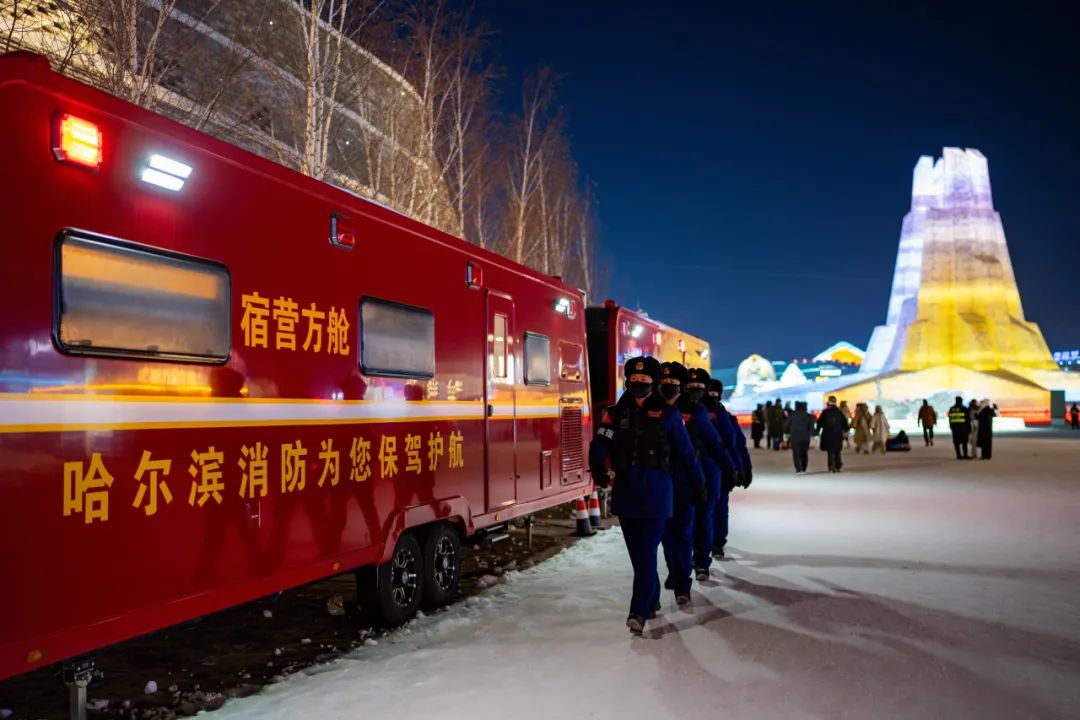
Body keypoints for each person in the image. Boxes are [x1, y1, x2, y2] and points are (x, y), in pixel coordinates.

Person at [589, 356, 704, 635]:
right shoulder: (614, 414)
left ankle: (638, 612)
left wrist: (700, 484)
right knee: (639, 556)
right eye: (634, 380)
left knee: (646, 552)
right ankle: (651, 600)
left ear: (654, 384)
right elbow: (600, 444)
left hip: (657, 495)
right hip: (627, 494)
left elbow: (687, 453)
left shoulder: (668, 414)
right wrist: (598, 468)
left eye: (644, 380)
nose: (638, 384)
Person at [654, 362, 715, 605]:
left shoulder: (695, 411)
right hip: (658, 484)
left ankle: (682, 583)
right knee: (665, 536)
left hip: (684, 482)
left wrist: (703, 482)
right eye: (664, 382)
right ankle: (675, 572)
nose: (668, 386)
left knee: (681, 533)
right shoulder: (651, 410)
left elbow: (707, 445)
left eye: (673, 382)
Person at [681, 368, 736, 581]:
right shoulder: (677, 409)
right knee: (685, 521)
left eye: (699, 387)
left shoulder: (714, 413)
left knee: (705, 517)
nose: (695, 390)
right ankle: (683, 564)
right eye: (691, 386)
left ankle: (702, 561)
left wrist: (732, 468)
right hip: (684, 473)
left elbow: (725, 443)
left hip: (709, 470)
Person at [704, 377, 751, 560]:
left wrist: (744, 468)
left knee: (720, 508)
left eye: (715, 394)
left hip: (723, 470)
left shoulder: (727, 418)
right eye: (710, 393)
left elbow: (738, 445)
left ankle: (717, 542)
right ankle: (702, 546)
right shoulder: (694, 416)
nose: (712, 397)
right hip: (700, 469)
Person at [817, 396, 849, 472]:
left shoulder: (825, 412)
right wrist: (846, 429)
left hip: (828, 434)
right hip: (837, 434)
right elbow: (844, 422)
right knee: (837, 450)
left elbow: (819, 423)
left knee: (830, 451)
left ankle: (831, 466)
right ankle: (838, 465)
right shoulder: (838, 412)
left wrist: (817, 430)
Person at [785, 400, 816, 473]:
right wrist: (814, 434)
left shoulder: (792, 415)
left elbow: (786, 425)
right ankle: (804, 467)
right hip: (805, 437)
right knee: (804, 452)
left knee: (796, 453)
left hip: (794, 437)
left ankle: (798, 468)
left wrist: (786, 432)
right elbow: (812, 427)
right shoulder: (809, 416)